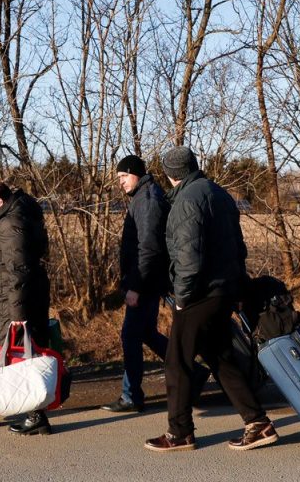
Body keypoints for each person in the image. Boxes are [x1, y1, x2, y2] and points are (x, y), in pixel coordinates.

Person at [145, 146, 277, 452]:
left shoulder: (186, 201)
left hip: (200, 294)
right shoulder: (218, 194)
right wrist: (239, 287)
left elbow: (188, 257)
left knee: (177, 362)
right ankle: (258, 423)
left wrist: (182, 297)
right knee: (220, 357)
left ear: (170, 174)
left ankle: (180, 433)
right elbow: (237, 246)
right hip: (225, 290)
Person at [0, 181, 52, 435]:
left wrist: (18, 316)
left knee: (21, 356)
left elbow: (18, 269)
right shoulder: (16, 216)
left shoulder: (10, 222)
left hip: (12, 300)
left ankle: (36, 415)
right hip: (6, 297)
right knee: (4, 352)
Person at [100, 155, 171, 413]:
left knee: (130, 335)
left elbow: (149, 249)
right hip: (147, 280)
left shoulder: (148, 200)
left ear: (136, 174)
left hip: (145, 282)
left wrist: (136, 287)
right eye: (118, 178)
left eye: (123, 177)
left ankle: (131, 396)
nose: (120, 182)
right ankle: (194, 373)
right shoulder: (143, 197)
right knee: (146, 333)